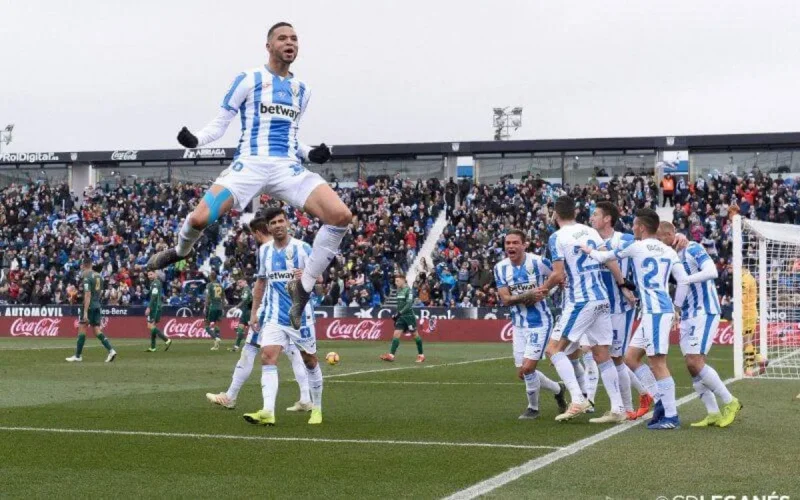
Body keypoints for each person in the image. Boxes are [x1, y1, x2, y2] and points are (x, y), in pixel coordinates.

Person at [147, 22, 352, 333]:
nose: (290, 43)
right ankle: (180, 251)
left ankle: (303, 288)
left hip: (286, 167)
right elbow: (220, 123)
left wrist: (311, 154)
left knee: (340, 215)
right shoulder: (249, 79)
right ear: (268, 45)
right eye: (282, 38)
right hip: (250, 164)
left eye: (294, 39)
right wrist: (196, 141)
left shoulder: (302, 90)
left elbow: (292, 138)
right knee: (200, 219)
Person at [584, 208, 688, 430]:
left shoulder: (636, 247)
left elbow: (605, 257)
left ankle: (671, 415)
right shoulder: (669, 251)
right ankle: (659, 399)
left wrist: (587, 249)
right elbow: (684, 281)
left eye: (634, 225)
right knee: (631, 358)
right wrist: (676, 306)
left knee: (657, 362)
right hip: (653, 310)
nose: (632, 228)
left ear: (641, 227)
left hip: (657, 311)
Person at [206, 209, 314, 413]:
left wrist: (255, 311)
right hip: (290, 311)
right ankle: (306, 398)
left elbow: (261, 285)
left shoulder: (267, 250)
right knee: (294, 353)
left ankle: (231, 396)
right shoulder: (277, 249)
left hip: (270, 311)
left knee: (250, 350)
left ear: (256, 232)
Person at [539, 196, 633, 423]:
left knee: (553, 350)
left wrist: (542, 289)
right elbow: (610, 261)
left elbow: (558, 274)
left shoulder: (557, 237)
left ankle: (577, 399)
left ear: (555, 214)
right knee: (602, 354)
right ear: (575, 212)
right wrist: (622, 285)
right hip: (602, 298)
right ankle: (618, 408)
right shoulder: (590, 231)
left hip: (581, 300)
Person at [239, 207, 323, 425]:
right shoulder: (264, 251)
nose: (277, 225)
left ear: (287, 223)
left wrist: (307, 275)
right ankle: (268, 411)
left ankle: (317, 408)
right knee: (267, 356)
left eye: (280, 221)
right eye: (273, 223)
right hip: (274, 316)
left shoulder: (303, 248)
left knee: (310, 361)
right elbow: (260, 282)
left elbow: (320, 278)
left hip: (300, 316)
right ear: (268, 227)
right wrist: (254, 312)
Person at [657, 222, 742, 428]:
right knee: (692, 366)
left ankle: (730, 401)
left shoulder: (692, 247)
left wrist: (686, 279)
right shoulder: (670, 255)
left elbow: (712, 271)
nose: (659, 243)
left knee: (695, 361)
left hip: (705, 311)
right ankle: (713, 413)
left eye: (660, 239)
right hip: (687, 314)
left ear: (670, 234)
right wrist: (676, 309)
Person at [493, 229, 567, 420]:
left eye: (515, 242)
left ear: (524, 245)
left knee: (527, 369)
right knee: (524, 371)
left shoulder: (538, 262)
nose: (511, 246)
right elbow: (506, 299)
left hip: (540, 322)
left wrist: (547, 292)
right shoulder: (500, 268)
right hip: (518, 325)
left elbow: (560, 276)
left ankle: (532, 408)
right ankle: (559, 389)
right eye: (508, 243)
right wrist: (527, 296)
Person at [588, 201, 652, 419]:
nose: (591, 217)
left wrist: (681, 239)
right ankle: (630, 403)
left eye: (595, 214)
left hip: (619, 308)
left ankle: (628, 406)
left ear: (607, 219)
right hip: (596, 308)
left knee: (616, 357)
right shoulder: (590, 240)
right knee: (604, 356)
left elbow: (653, 242)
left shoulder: (624, 239)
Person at [65, 257, 117, 363]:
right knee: (97, 330)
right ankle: (111, 350)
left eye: (81, 267)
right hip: (97, 305)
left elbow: (88, 294)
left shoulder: (87, 277)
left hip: (89, 306)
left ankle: (78, 356)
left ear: (84, 266)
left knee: (82, 328)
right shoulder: (99, 276)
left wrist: (85, 312)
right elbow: (98, 292)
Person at [380, 274, 424, 363]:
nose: (396, 283)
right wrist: (397, 314)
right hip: (401, 317)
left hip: (409, 317)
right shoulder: (399, 291)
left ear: (403, 280)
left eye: (398, 281)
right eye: (395, 281)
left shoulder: (409, 290)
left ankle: (421, 355)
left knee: (415, 335)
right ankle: (391, 355)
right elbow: (400, 305)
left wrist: (399, 313)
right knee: (396, 335)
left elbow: (409, 304)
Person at [145, 270, 171, 352]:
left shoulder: (155, 283)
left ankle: (167, 340)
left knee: (150, 325)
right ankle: (153, 347)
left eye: (151, 274)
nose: (149, 276)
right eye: (148, 275)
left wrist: (149, 307)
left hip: (155, 307)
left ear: (155, 274)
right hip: (155, 306)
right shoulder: (154, 283)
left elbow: (154, 296)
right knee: (152, 326)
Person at [204, 270, 227, 351]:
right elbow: (223, 297)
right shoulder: (220, 285)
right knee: (217, 325)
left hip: (212, 306)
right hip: (220, 307)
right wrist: (223, 307)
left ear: (211, 277)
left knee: (206, 326)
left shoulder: (209, 285)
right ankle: (216, 346)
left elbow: (208, 296)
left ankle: (216, 338)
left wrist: (205, 306)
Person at [229, 279, 252, 353]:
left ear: (245, 282)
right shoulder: (244, 290)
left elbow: (244, 301)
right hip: (245, 312)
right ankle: (236, 347)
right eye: (238, 283)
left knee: (254, 329)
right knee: (240, 330)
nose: (239, 284)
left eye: (240, 282)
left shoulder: (246, 289)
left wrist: (235, 308)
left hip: (249, 312)